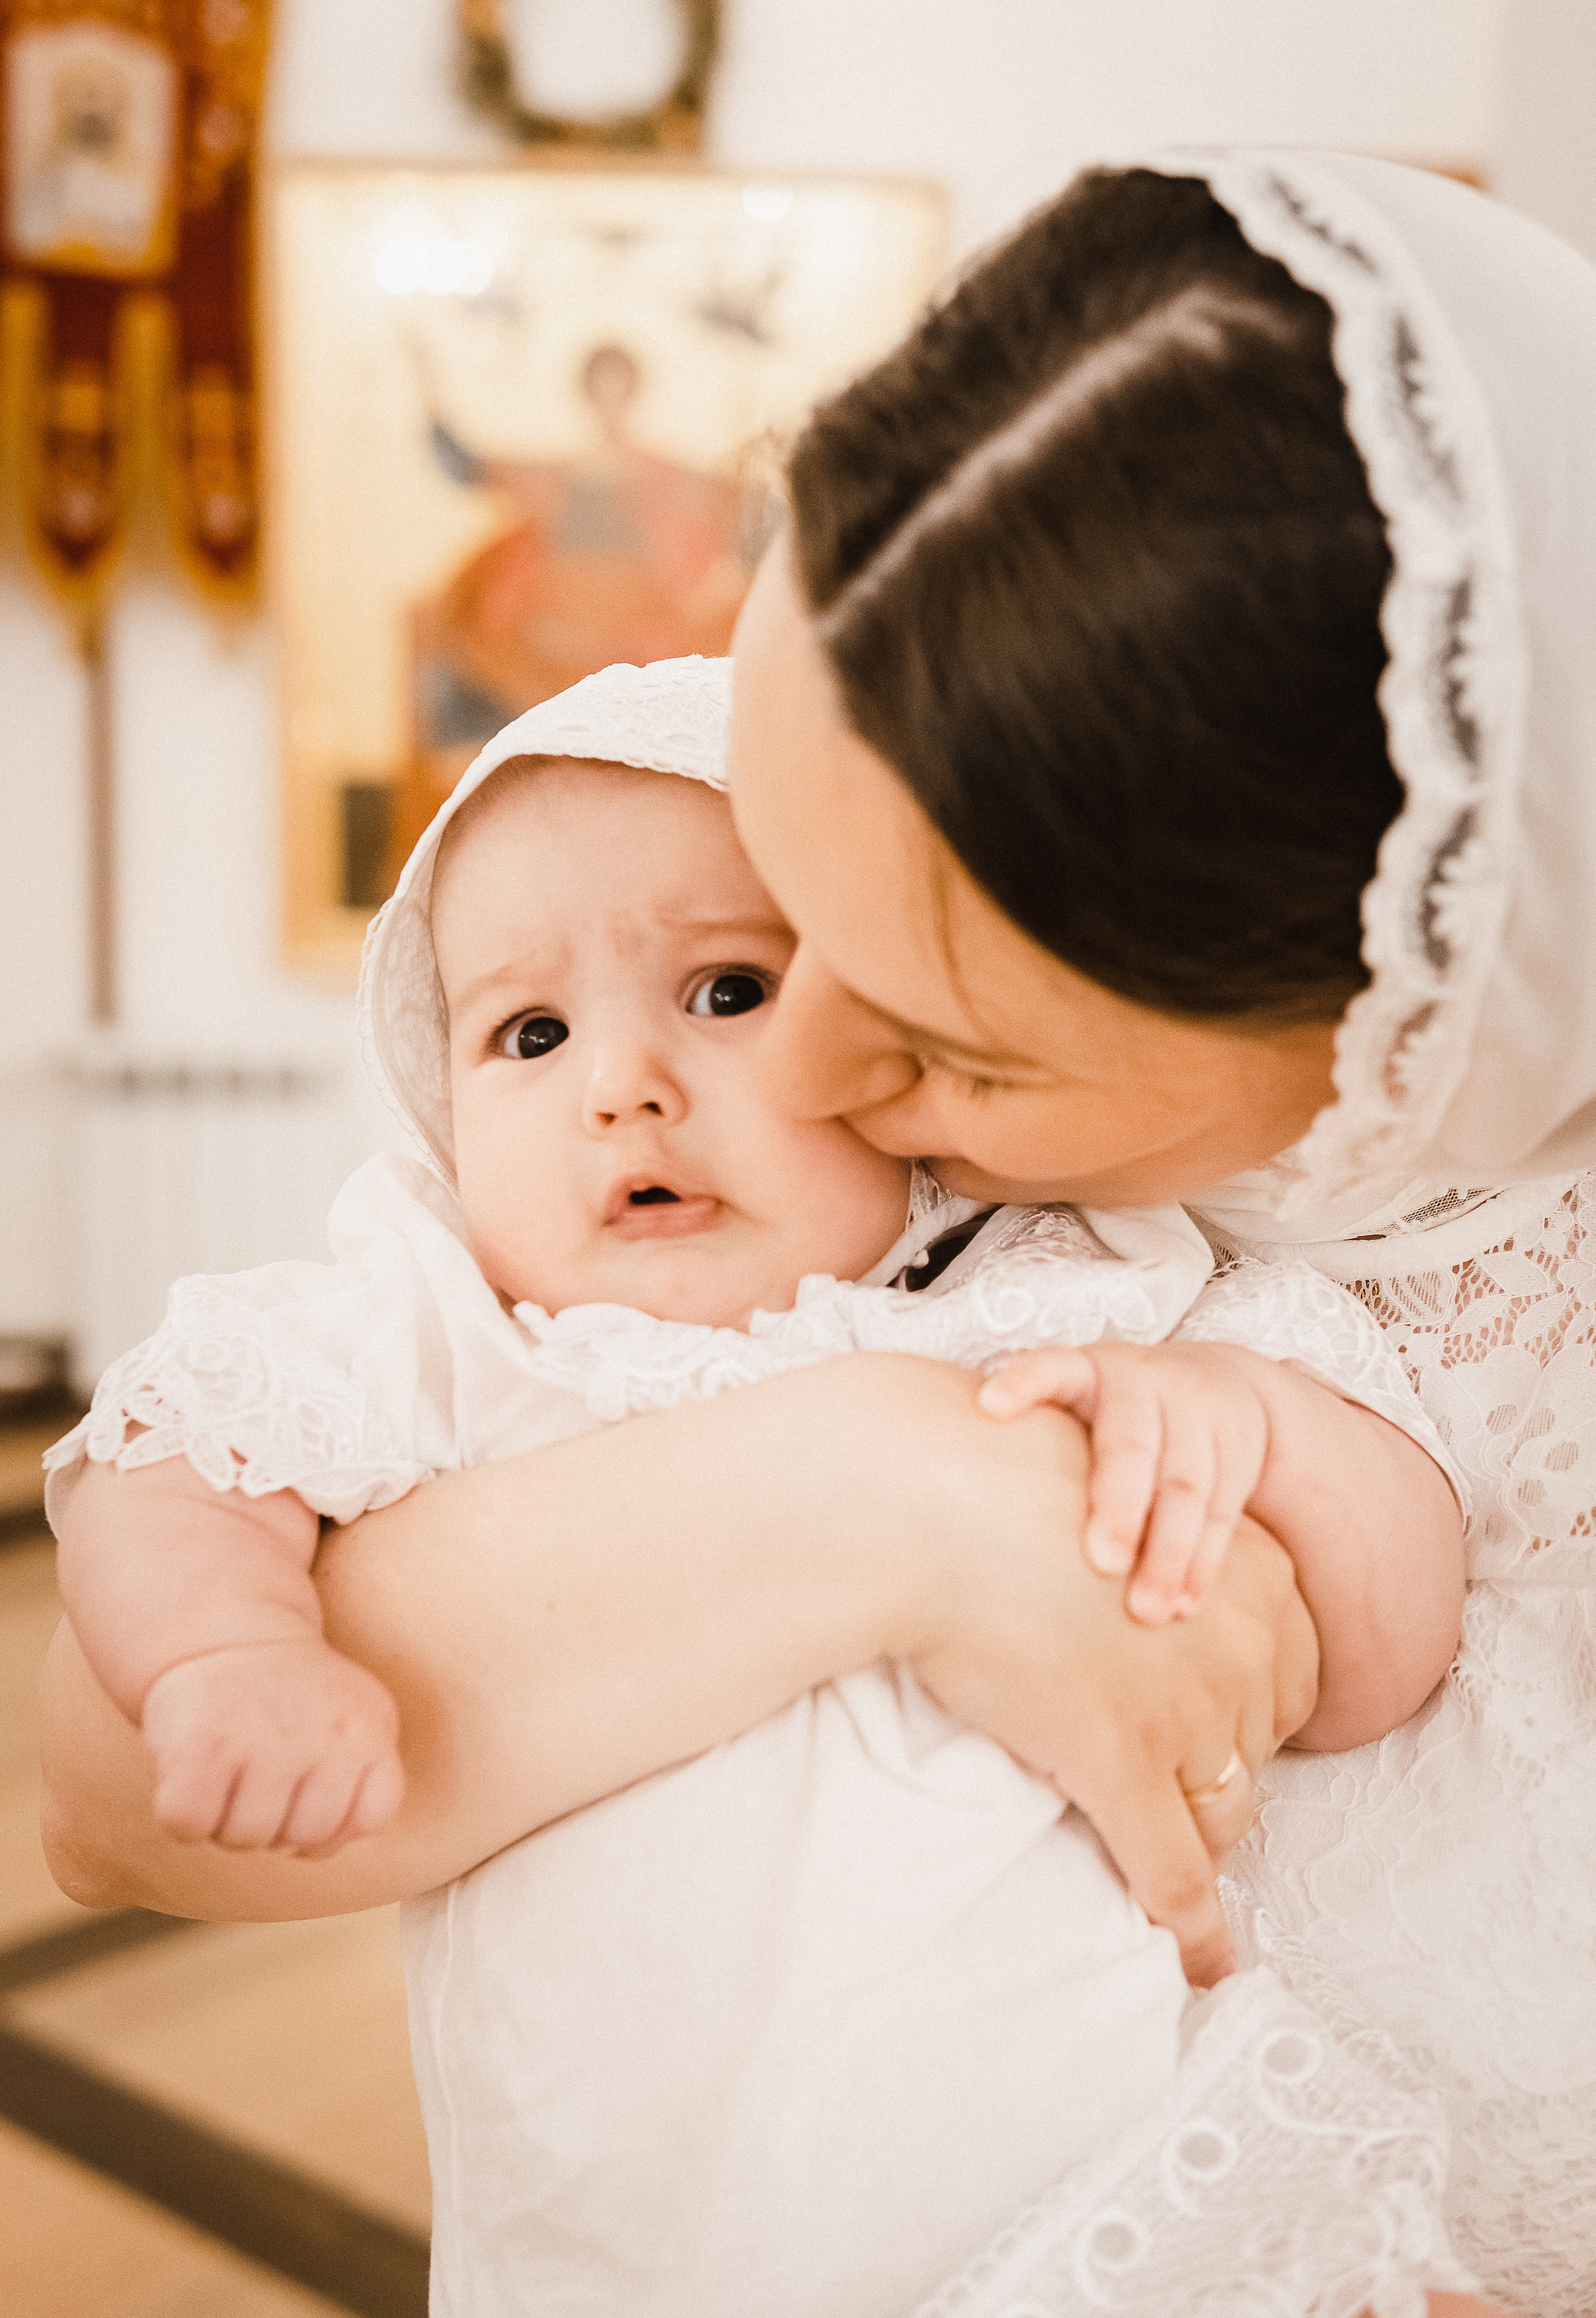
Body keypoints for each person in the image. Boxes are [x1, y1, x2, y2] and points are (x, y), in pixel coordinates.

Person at [40, 150, 1588, 2310]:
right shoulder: (529, 1284)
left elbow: (1360, 1595)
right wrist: (898, 1491)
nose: (800, 1077)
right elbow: (109, 1791)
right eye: (800, 899)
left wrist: (1205, 1439)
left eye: (939, 1022)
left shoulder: (1114, 1282)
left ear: (1380, 1020)